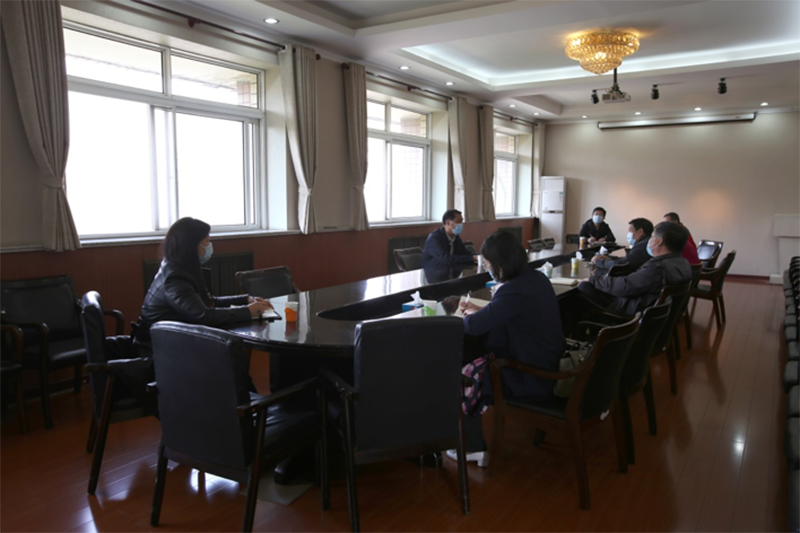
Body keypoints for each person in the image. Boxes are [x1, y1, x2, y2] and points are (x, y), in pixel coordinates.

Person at [447, 231, 565, 466]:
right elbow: (512, 313)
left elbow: (474, 326)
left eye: (488, 265)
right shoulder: (536, 278)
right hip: (550, 363)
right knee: (475, 356)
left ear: (500, 264)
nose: (488, 269)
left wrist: (458, 319)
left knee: (465, 373)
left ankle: (472, 448)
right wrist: (484, 311)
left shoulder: (514, 290)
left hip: (532, 377)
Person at [135, 217, 273, 347]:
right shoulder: (175, 278)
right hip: (157, 347)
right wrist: (247, 311)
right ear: (191, 246)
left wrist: (246, 299)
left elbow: (208, 301)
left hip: (173, 340)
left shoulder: (179, 267)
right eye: (207, 241)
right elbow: (202, 315)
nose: (210, 246)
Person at [577, 221, 692, 316]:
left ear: (659, 241)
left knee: (584, 286)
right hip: (652, 311)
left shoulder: (658, 267)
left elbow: (625, 286)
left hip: (633, 313)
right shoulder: (683, 263)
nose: (650, 240)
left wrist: (593, 280)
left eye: (652, 237)